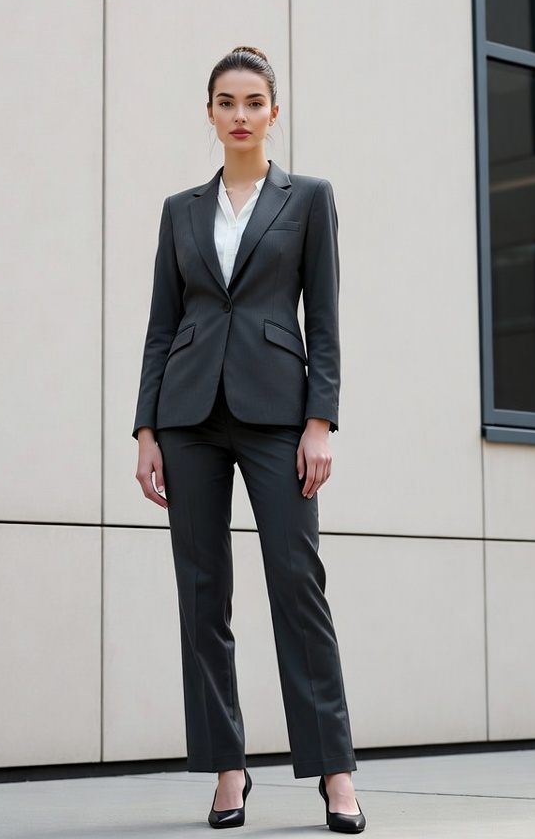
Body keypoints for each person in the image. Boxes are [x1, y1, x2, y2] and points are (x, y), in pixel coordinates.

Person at [133, 46, 365, 834]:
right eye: (226, 102)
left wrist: (320, 421)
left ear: (274, 112)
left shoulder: (309, 199)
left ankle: (334, 770)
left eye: (253, 102)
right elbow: (161, 327)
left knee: (297, 587)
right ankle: (227, 768)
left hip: (277, 415)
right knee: (202, 594)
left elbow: (324, 321)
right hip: (187, 416)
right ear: (209, 113)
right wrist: (146, 429)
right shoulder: (180, 211)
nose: (240, 115)